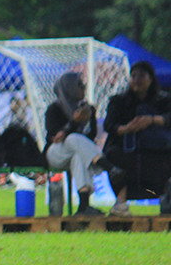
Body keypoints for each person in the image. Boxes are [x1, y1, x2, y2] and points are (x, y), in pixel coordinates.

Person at [103, 61, 171, 215]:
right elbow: (110, 125)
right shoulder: (119, 101)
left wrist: (152, 120)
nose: (137, 80)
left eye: (141, 76)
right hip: (124, 147)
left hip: (157, 147)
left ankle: (167, 198)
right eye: (133, 76)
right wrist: (127, 129)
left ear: (151, 79)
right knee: (116, 157)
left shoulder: (163, 100)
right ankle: (121, 203)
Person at [43, 72, 116, 216]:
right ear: (69, 88)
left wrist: (89, 119)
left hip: (77, 153)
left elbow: (90, 137)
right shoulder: (54, 109)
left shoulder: (87, 109)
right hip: (56, 154)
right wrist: (73, 122)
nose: (84, 88)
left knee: (78, 155)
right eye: (80, 85)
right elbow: (55, 137)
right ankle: (107, 166)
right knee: (72, 139)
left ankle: (83, 206)